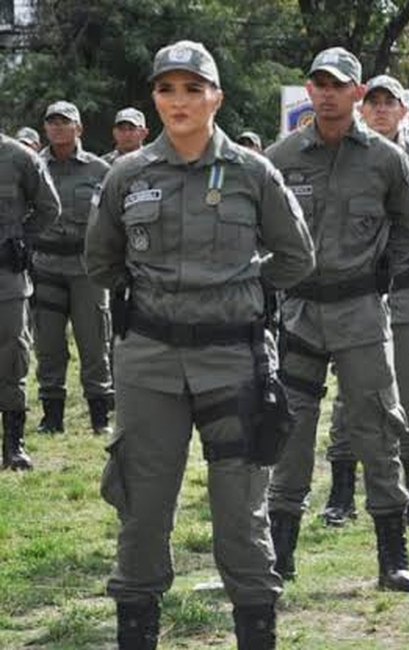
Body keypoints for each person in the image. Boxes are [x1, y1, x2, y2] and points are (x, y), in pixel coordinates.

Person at [85, 40, 315, 648]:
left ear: (217, 96)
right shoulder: (127, 175)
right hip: (149, 363)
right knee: (142, 509)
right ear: (153, 98)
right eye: (167, 89)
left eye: (193, 88)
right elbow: (101, 262)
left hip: (233, 360)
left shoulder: (250, 172)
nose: (179, 101)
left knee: (240, 513)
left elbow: (296, 257)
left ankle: (255, 631)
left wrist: (243, 288)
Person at [265, 47, 409, 591]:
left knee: (376, 424)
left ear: (357, 93)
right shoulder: (282, 157)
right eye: (318, 83)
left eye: (338, 85)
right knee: (290, 427)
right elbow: (258, 228)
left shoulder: (386, 159)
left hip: (360, 312)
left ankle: (392, 556)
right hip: (302, 314)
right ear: (309, 90)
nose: (327, 93)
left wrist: (381, 270)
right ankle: (280, 556)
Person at [320, 73, 409, 528]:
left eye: (390, 103)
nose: (381, 109)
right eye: (374, 102)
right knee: (350, 401)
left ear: (405, 112)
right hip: (355, 298)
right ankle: (342, 495)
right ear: (363, 108)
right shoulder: (343, 158)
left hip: (405, 298)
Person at [32, 101, 114, 435]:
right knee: (48, 345)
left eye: (64, 122)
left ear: (78, 128)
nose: (57, 127)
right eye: (51, 122)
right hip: (45, 266)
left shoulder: (99, 170)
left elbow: (114, 217)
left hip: (87, 270)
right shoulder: (33, 166)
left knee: (94, 342)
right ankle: (52, 417)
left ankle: (99, 417)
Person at [0, 132, 61, 470]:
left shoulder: (19, 157)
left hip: (5, 276)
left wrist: (22, 240)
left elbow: (49, 207)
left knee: (11, 354)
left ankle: (13, 445)